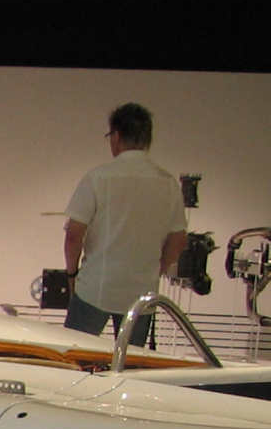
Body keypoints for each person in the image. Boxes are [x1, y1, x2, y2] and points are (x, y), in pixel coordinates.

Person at [62, 102, 187, 346]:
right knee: (130, 362)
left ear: (116, 136)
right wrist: (157, 269)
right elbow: (177, 240)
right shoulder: (168, 183)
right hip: (141, 293)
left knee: (74, 355)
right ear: (148, 139)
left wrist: (72, 274)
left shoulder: (98, 178)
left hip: (95, 287)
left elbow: (73, 236)